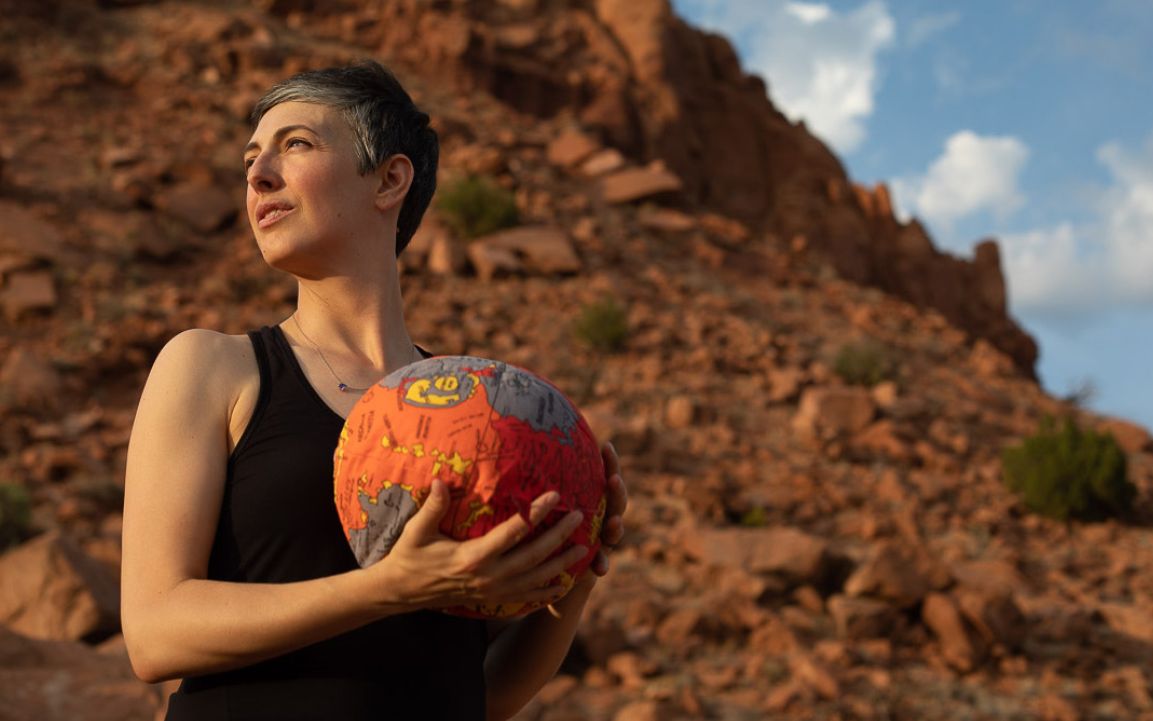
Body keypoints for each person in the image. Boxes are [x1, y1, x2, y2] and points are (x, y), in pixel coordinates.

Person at [120, 60, 628, 721]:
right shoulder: (214, 366)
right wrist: (389, 587)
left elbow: (481, 694)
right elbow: (156, 632)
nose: (257, 174)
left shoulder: (477, 412)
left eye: (295, 144)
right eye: (252, 157)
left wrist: (579, 560)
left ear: (389, 179)